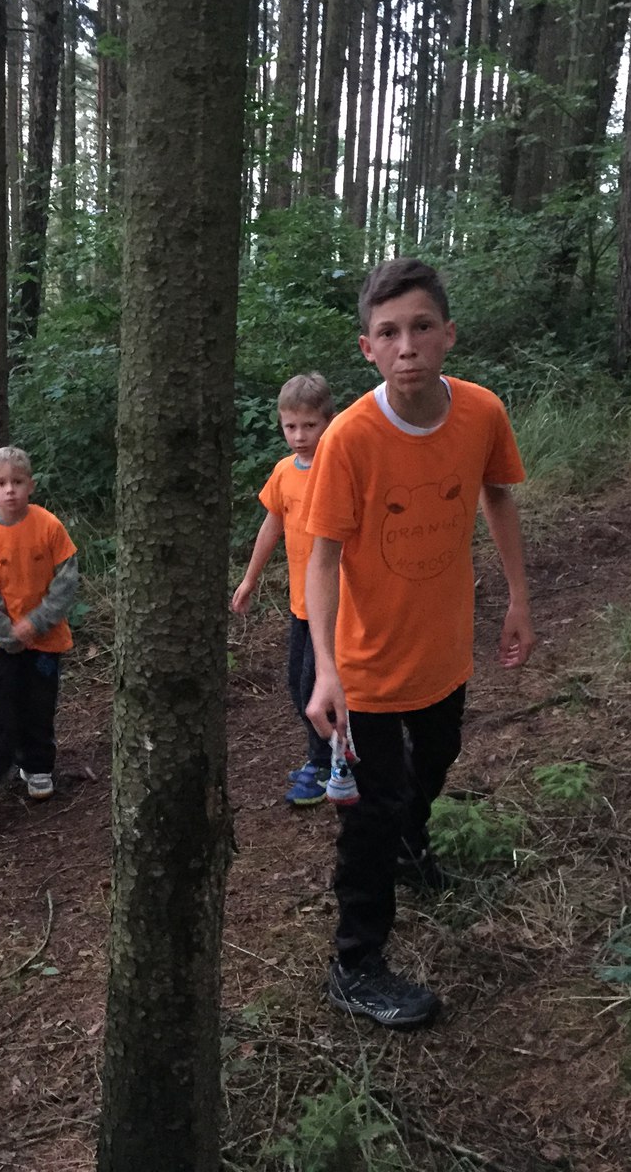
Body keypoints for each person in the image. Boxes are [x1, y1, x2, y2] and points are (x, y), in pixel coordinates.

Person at [304, 259, 536, 1029]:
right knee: (371, 811)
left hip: (443, 648)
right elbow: (322, 558)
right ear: (367, 348)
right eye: (389, 332)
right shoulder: (349, 439)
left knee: (436, 757)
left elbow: (497, 494)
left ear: (448, 335)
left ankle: (412, 843)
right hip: (365, 668)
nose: (407, 346)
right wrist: (326, 669)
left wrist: (518, 599)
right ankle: (354, 964)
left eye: (421, 327)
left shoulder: (481, 413)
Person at [230, 373, 337, 806]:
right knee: (297, 682)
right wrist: (249, 578)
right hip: (300, 604)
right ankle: (330, 752)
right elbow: (271, 525)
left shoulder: (338, 468)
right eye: (290, 426)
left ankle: (327, 764)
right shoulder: (283, 472)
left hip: (337, 603)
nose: (299, 436)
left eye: (309, 425)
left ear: (329, 421)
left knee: (315, 684)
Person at [0, 446, 79, 804]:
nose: (10, 490)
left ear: (31, 485)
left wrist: (37, 622)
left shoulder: (49, 525)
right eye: (2, 483)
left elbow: (67, 580)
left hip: (45, 639)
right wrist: (7, 634)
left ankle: (37, 765)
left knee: (38, 703)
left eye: (17, 482)